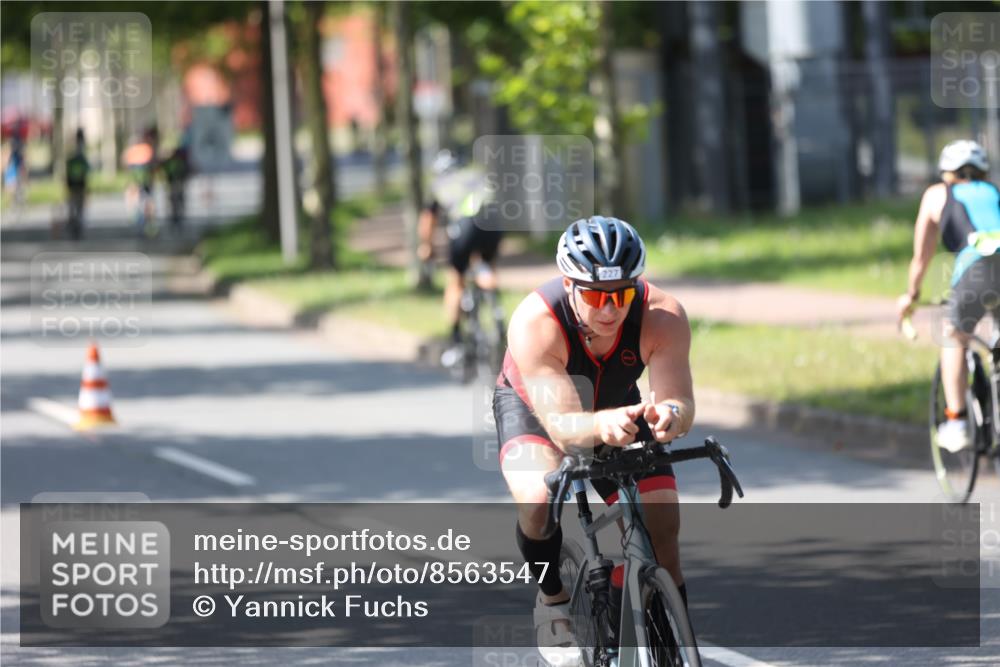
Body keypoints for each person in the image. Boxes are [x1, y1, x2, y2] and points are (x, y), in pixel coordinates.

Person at [493, 216, 694, 665]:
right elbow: (564, 426)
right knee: (537, 497)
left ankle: (662, 647)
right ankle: (553, 601)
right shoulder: (535, 322)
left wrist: (671, 415)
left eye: (621, 295)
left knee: (661, 525)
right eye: (594, 296)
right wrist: (601, 428)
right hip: (536, 410)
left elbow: (680, 400)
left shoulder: (663, 316)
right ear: (568, 285)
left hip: (618, 405)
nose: (609, 309)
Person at [898, 140, 1000, 453]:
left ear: (947, 171)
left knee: (954, 336)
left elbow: (922, 257)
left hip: (977, 270)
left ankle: (956, 421)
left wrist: (910, 296)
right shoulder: (994, 191)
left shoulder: (936, 194)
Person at [417, 149, 503, 364]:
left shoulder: (439, 185)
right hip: (493, 225)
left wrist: (426, 246)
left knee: (455, 280)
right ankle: (497, 313)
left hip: (465, 228)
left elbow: (428, 221)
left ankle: (455, 341)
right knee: (485, 267)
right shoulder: (476, 176)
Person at [122, 128, 158, 236]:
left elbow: (125, 166)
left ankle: (134, 216)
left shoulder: (130, 151)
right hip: (146, 179)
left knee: (133, 199)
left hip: (134, 180)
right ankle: (150, 222)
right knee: (149, 200)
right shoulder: (147, 149)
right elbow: (153, 165)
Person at [65, 128, 90, 240]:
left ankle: (73, 221)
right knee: (78, 206)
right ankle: (75, 222)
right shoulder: (81, 156)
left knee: (74, 204)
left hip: (73, 183)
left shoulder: (73, 156)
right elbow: (86, 171)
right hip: (79, 184)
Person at [160, 139, 190, 233]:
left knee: (177, 200)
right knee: (174, 200)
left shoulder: (177, 160)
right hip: (174, 183)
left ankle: (177, 217)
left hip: (177, 183)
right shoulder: (172, 161)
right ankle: (175, 217)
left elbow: (186, 170)